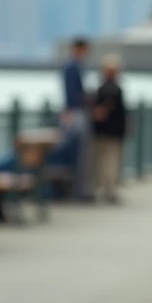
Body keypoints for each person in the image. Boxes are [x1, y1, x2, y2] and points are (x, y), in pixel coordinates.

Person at [90, 54, 128, 204]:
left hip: (103, 132)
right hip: (113, 132)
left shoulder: (104, 89)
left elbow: (102, 111)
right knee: (111, 162)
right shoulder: (116, 89)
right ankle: (110, 190)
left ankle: (104, 189)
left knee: (103, 162)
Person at [57, 38, 91, 198]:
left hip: (74, 112)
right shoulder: (72, 67)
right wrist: (70, 110)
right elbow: (72, 92)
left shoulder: (74, 66)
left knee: (78, 153)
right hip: (75, 113)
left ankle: (76, 189)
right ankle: (77, 190)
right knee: (77, 153)